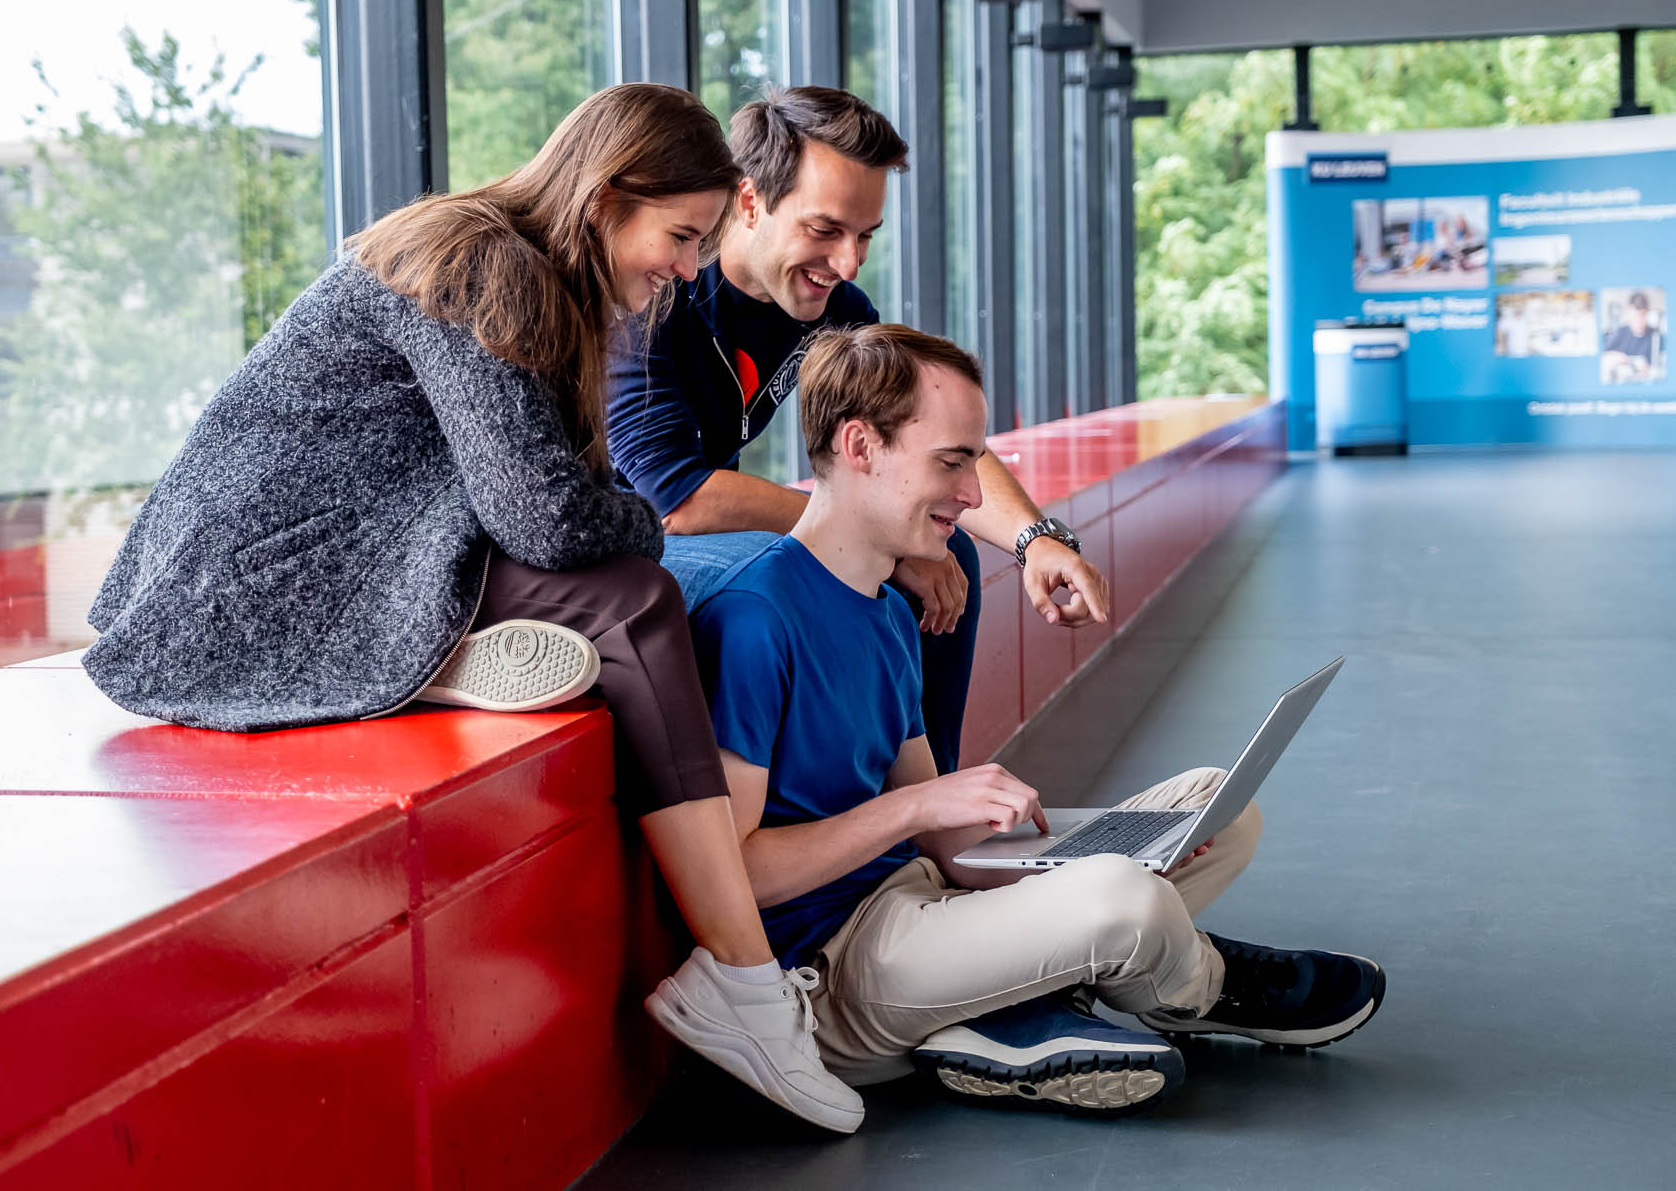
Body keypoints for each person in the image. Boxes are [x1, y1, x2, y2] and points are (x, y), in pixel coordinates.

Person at [83, 83, 863, 1134]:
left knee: (641, 591)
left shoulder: (541, 275)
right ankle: (742, 978)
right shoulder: (475, 263)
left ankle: (448, 651)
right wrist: (645, 520)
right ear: (606, 199)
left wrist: (612, 514)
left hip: (365, 547)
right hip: (254, 588)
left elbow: (550, 492)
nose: (687, 268)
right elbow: (546, 514)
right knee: (636, 603)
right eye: (680, 237)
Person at [688, 323, 1386, 1112]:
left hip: (927, 901)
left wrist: (1074, 852)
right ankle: (1198, 983)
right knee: (1128, 902)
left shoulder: (885, 614)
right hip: (839, 967)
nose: (971, 493)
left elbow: (944, 846)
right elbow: (736, 873)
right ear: (860, 446)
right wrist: (920, 808)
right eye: (951, 462)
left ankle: (1028, 1000)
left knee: (1218, 807)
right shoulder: (754, 618)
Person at [606, 84, 1109, 778]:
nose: (847, 263)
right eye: (825, 230)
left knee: (946, 552)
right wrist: (871, 539)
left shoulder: (832, 306)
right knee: (849, 565)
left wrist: (1036, 541)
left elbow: (935, 436)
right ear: (749, 201)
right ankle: (837, 812)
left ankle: (934, 803)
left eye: (865, 236)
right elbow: (678, 500)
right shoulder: (654, 296)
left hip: (687, 530)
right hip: (621, 548)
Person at [1603, 290, 1664, 380]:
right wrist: (1619, 357)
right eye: (1635, 315)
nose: (1639, 320)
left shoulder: (1656, 337)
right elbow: (1603, 353)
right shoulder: (1621, 332)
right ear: (1629, 312)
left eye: (1643, 315)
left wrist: (1650, 370)